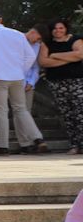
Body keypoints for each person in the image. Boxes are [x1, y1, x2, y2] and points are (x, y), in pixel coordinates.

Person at [0, 9, 45, 155]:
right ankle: (37, 138)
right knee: (21, 109)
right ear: (1, 19)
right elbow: (30, 56)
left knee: (1, 112)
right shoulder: (17, 34)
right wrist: (20, 70)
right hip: (17, 77)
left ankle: (3, 146)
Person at [39, 20, 83, 154]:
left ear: (66, 28)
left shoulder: (76, 40)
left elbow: (80, 54)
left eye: (61, 28)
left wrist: (55, 56)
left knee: (80, 112)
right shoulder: (47, 44)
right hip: (57, 83)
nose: (58, 30)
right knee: (67, 114)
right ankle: (74, 145)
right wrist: (69, 58)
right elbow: (43, 62)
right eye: (55, 28)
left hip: (76, 81)